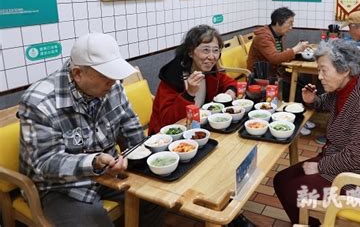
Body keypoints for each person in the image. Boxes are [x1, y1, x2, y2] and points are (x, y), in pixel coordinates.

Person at [19, 33, 164, 227]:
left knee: (156, 197)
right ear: (78, 73)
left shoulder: (112, 86)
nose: (113, 83)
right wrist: (93, 162)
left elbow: (129, 124)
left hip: (108, 172)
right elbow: (45, 163)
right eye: (106, 77)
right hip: (60, 186)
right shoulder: (40, 102)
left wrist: (141, 157)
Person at [273, 39, 360, 225]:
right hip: (337, 159)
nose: (319, 76)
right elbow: (325, 102)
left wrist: (320, 166)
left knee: (291, 188)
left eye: (324, 70)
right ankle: (306, 222)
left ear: (345, 70)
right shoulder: (344, 89)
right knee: (281, 179)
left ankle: (307, 223)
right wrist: (311, 100)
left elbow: (356, 156)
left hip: (357, 176)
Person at [149, 25, 237, 134]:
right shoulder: (172, 76)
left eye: (215, 50)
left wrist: (231, 91)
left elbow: (228, 82)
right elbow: (168, 121)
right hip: (166, 137)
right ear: (190, 52)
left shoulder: (208, 70)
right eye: (205, 50)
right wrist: (189, 94)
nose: (211, 57)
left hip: (197, 128)